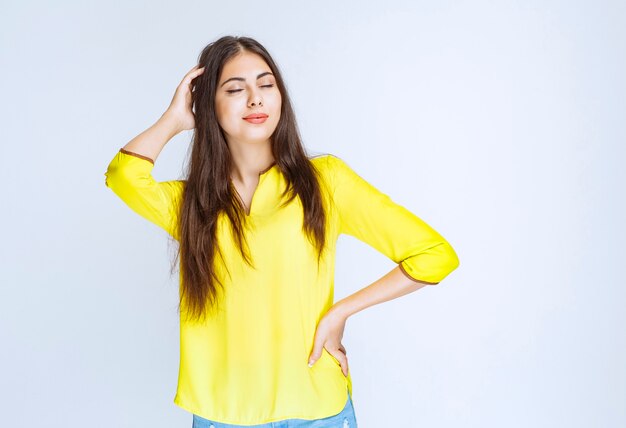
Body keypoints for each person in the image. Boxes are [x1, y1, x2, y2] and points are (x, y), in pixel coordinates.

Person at [104, 35, 460, 428]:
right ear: (208, 104)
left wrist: (340, 312)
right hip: (223, 416)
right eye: (236, 89)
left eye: (266, 84)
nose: (255, 99)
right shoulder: (191, 204)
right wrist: (174, 120)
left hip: (316, 410)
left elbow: (434, 255)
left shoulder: (326, 182)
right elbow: (124, 177)